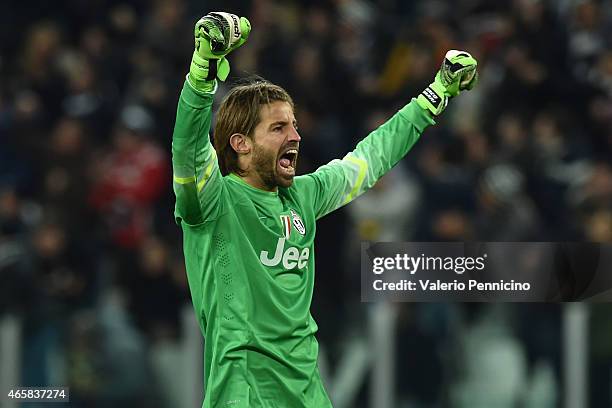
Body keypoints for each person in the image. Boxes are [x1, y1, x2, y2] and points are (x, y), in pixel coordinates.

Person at [171, 11, 477, 408]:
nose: (296, 136)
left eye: (294, 125)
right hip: (243, 394)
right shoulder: (213, 204)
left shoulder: (305, 195)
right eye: (278, 128)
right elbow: (188, 150)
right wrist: (202, 70)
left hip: (308, 395)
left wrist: (434, 96)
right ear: (241, 144)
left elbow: (370, 159)